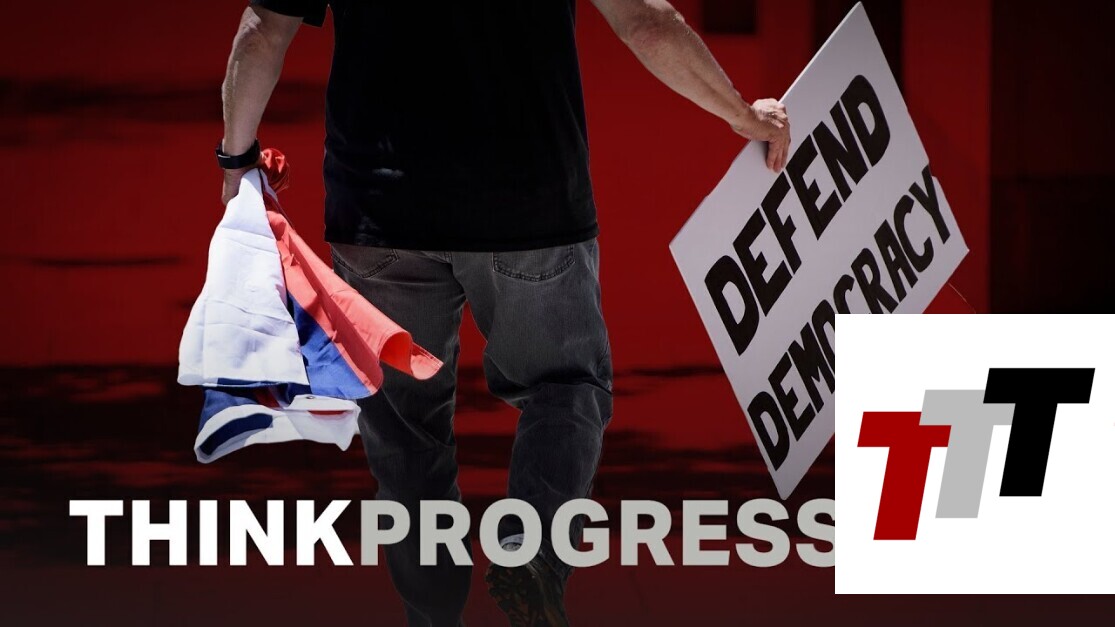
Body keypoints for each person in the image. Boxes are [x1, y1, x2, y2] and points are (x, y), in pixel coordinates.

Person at [217, 1, 789, 625]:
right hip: (529, 204)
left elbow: (264, 30)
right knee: (565, 385)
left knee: (405, 428)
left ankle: (433, 616)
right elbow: (645, 23)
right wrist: (741, 115)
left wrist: (237, 162)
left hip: (379, 213)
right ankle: (533, 551)